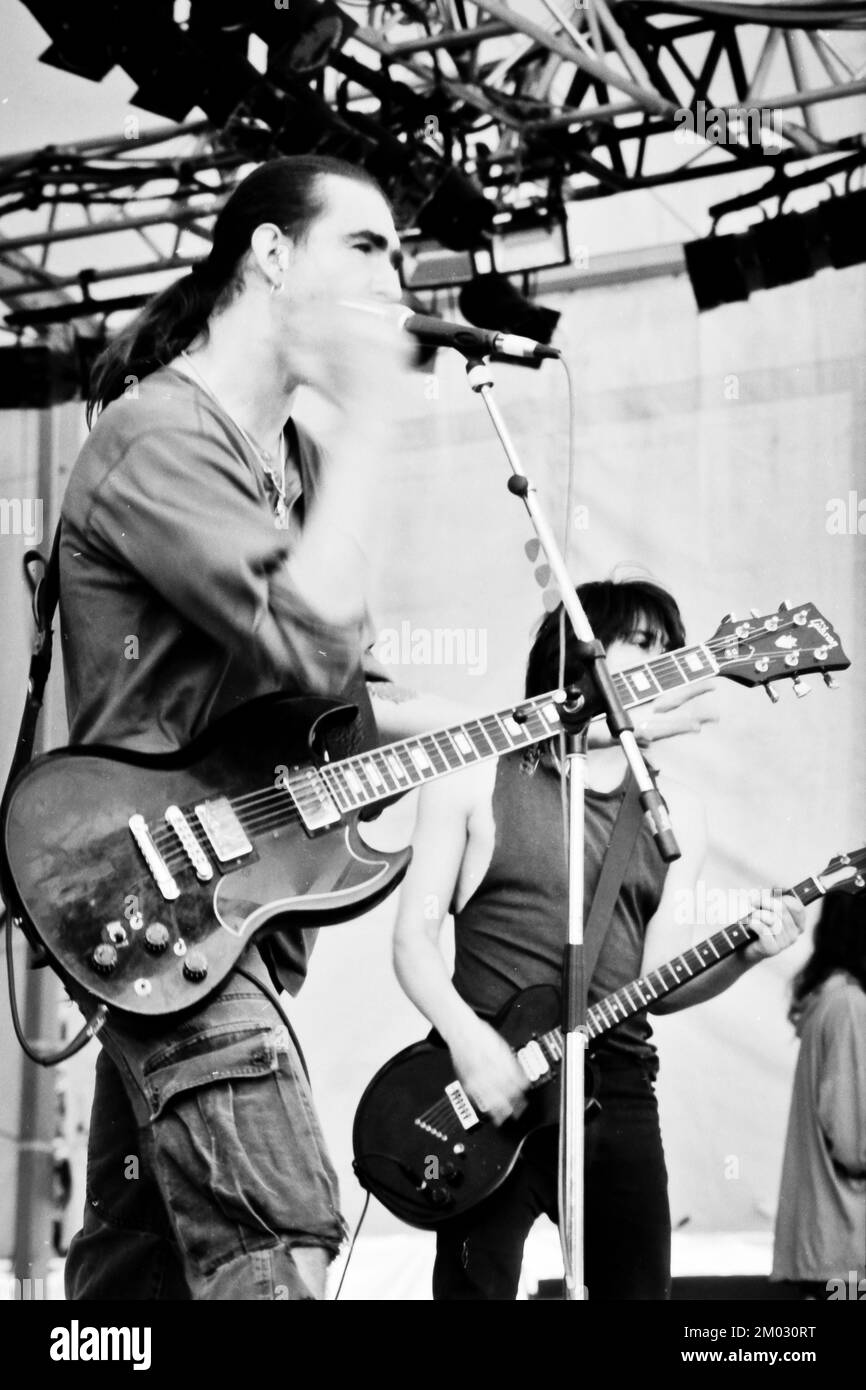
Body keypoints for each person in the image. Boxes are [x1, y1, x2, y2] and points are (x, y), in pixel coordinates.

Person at [58, 154, 455, 1301]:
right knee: (279, 1239)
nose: (394, 276)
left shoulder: (298, 461)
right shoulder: (156, 437)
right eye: (365, 246)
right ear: (271, 255)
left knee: (132, 1287)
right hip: (162, 900)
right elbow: (304, 633)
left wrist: (566, 713)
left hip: (239, 920)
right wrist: (377, 414)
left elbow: (343, 699)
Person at [392, 577, 806, 1300]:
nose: (666, 661)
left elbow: (661, 983)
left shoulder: (677, 810)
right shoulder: (469, 780)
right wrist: (469, 1043)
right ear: (578, 657)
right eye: (642, 643)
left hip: (614, 1085)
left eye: (671, 648)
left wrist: (744, 956)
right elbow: (413, 944)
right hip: (490, 1084)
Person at [771, 890, 866, 1299]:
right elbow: (854, 1144)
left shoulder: (831, 998)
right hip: (845, 1252)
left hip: (827, 1246)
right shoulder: (848, 1005)